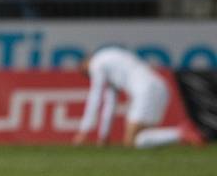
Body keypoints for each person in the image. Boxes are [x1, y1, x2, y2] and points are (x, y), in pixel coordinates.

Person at [73, 46, 204, 148]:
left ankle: (180, 133)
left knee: (132, 141)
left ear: (86, 62)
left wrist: (83, 132)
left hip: (145, 91)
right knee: (141, 138)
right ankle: (180, 134)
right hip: (160, 88)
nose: (86, 75)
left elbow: (95, 98)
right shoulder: (110, 59)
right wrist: (103, 137)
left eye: (83, 71)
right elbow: (110, 103)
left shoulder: (97, 63)